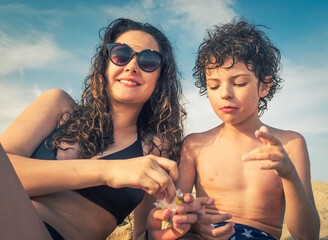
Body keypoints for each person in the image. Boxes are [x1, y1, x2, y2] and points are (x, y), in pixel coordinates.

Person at [0, 18, 201, 240]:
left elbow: (142, 233)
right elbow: (6, 169)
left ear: (160, 77)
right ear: (105, 64)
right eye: (121, 55)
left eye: (149, 60)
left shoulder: (156, 148)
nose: (132, 66)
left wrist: (156, 232)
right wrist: (110, 172)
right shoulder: (58, 105)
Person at [176, 18, 320, 240]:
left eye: (240, 83)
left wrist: (289, 174)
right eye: (214, 85)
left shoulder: (289, 144)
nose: (225, 93)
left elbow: (307, 235)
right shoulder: (194, 144)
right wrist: (195, 227)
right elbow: (175, 211)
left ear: (264, 86)